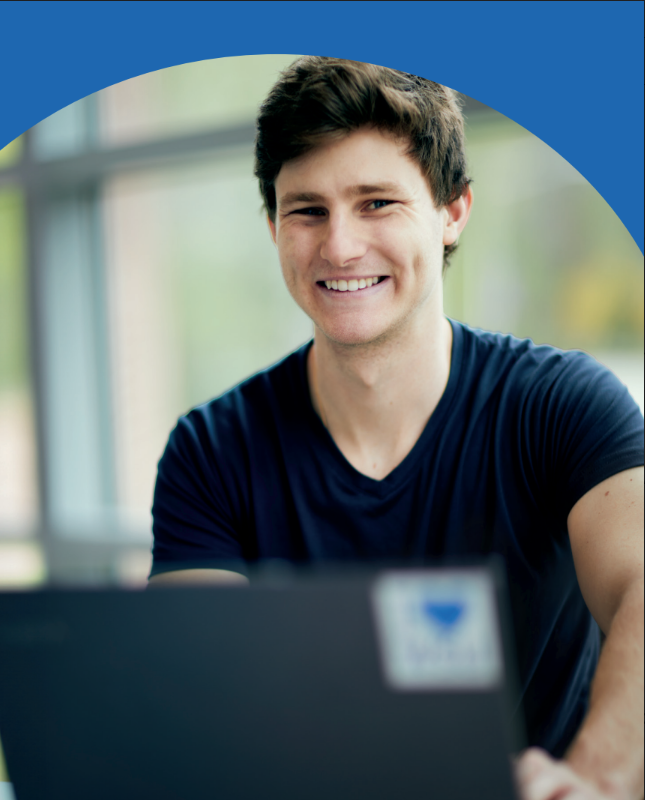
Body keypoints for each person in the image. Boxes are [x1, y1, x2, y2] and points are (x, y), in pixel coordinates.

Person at [148, 58, 644, 800]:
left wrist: (594, 781)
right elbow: (202, 694)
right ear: (273, 226)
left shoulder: (565, 407)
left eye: (377, 202)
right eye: (306, 210)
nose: (340, 246)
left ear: (453, 211)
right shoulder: (210, 451)